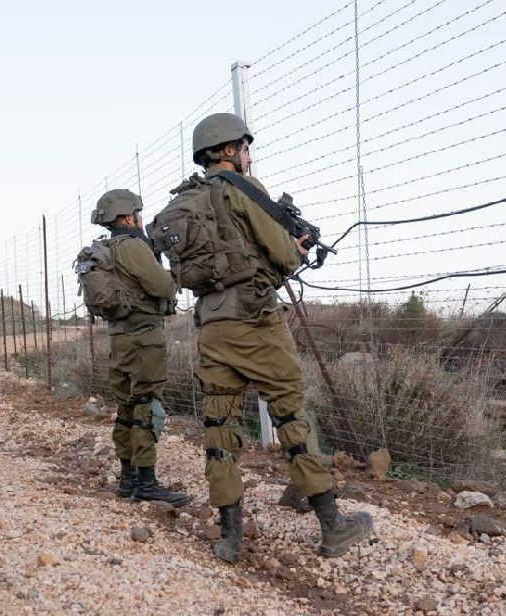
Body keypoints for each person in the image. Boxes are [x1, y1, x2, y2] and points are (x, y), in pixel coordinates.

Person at [188, 113, 372, 561]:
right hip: (255, 320)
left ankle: (230, 537)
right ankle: (332, 525)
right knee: (290, 414)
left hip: (212, 323)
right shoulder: (242, 188)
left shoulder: (190, 198)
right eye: (245, 148)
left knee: (219, 425)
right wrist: (298, 250)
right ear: (228, 150)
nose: (249, 156)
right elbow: (282, 254)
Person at [82, 189, 191, 507]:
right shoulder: (132, 246)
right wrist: (173, 268)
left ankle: (128, 479)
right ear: (129, 217)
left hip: (120, 338)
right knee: (146, 405)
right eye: (138, 214)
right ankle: (146, 483)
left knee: (127, 407)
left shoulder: (108, 248)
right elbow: (164, 287)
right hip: (144, 338)